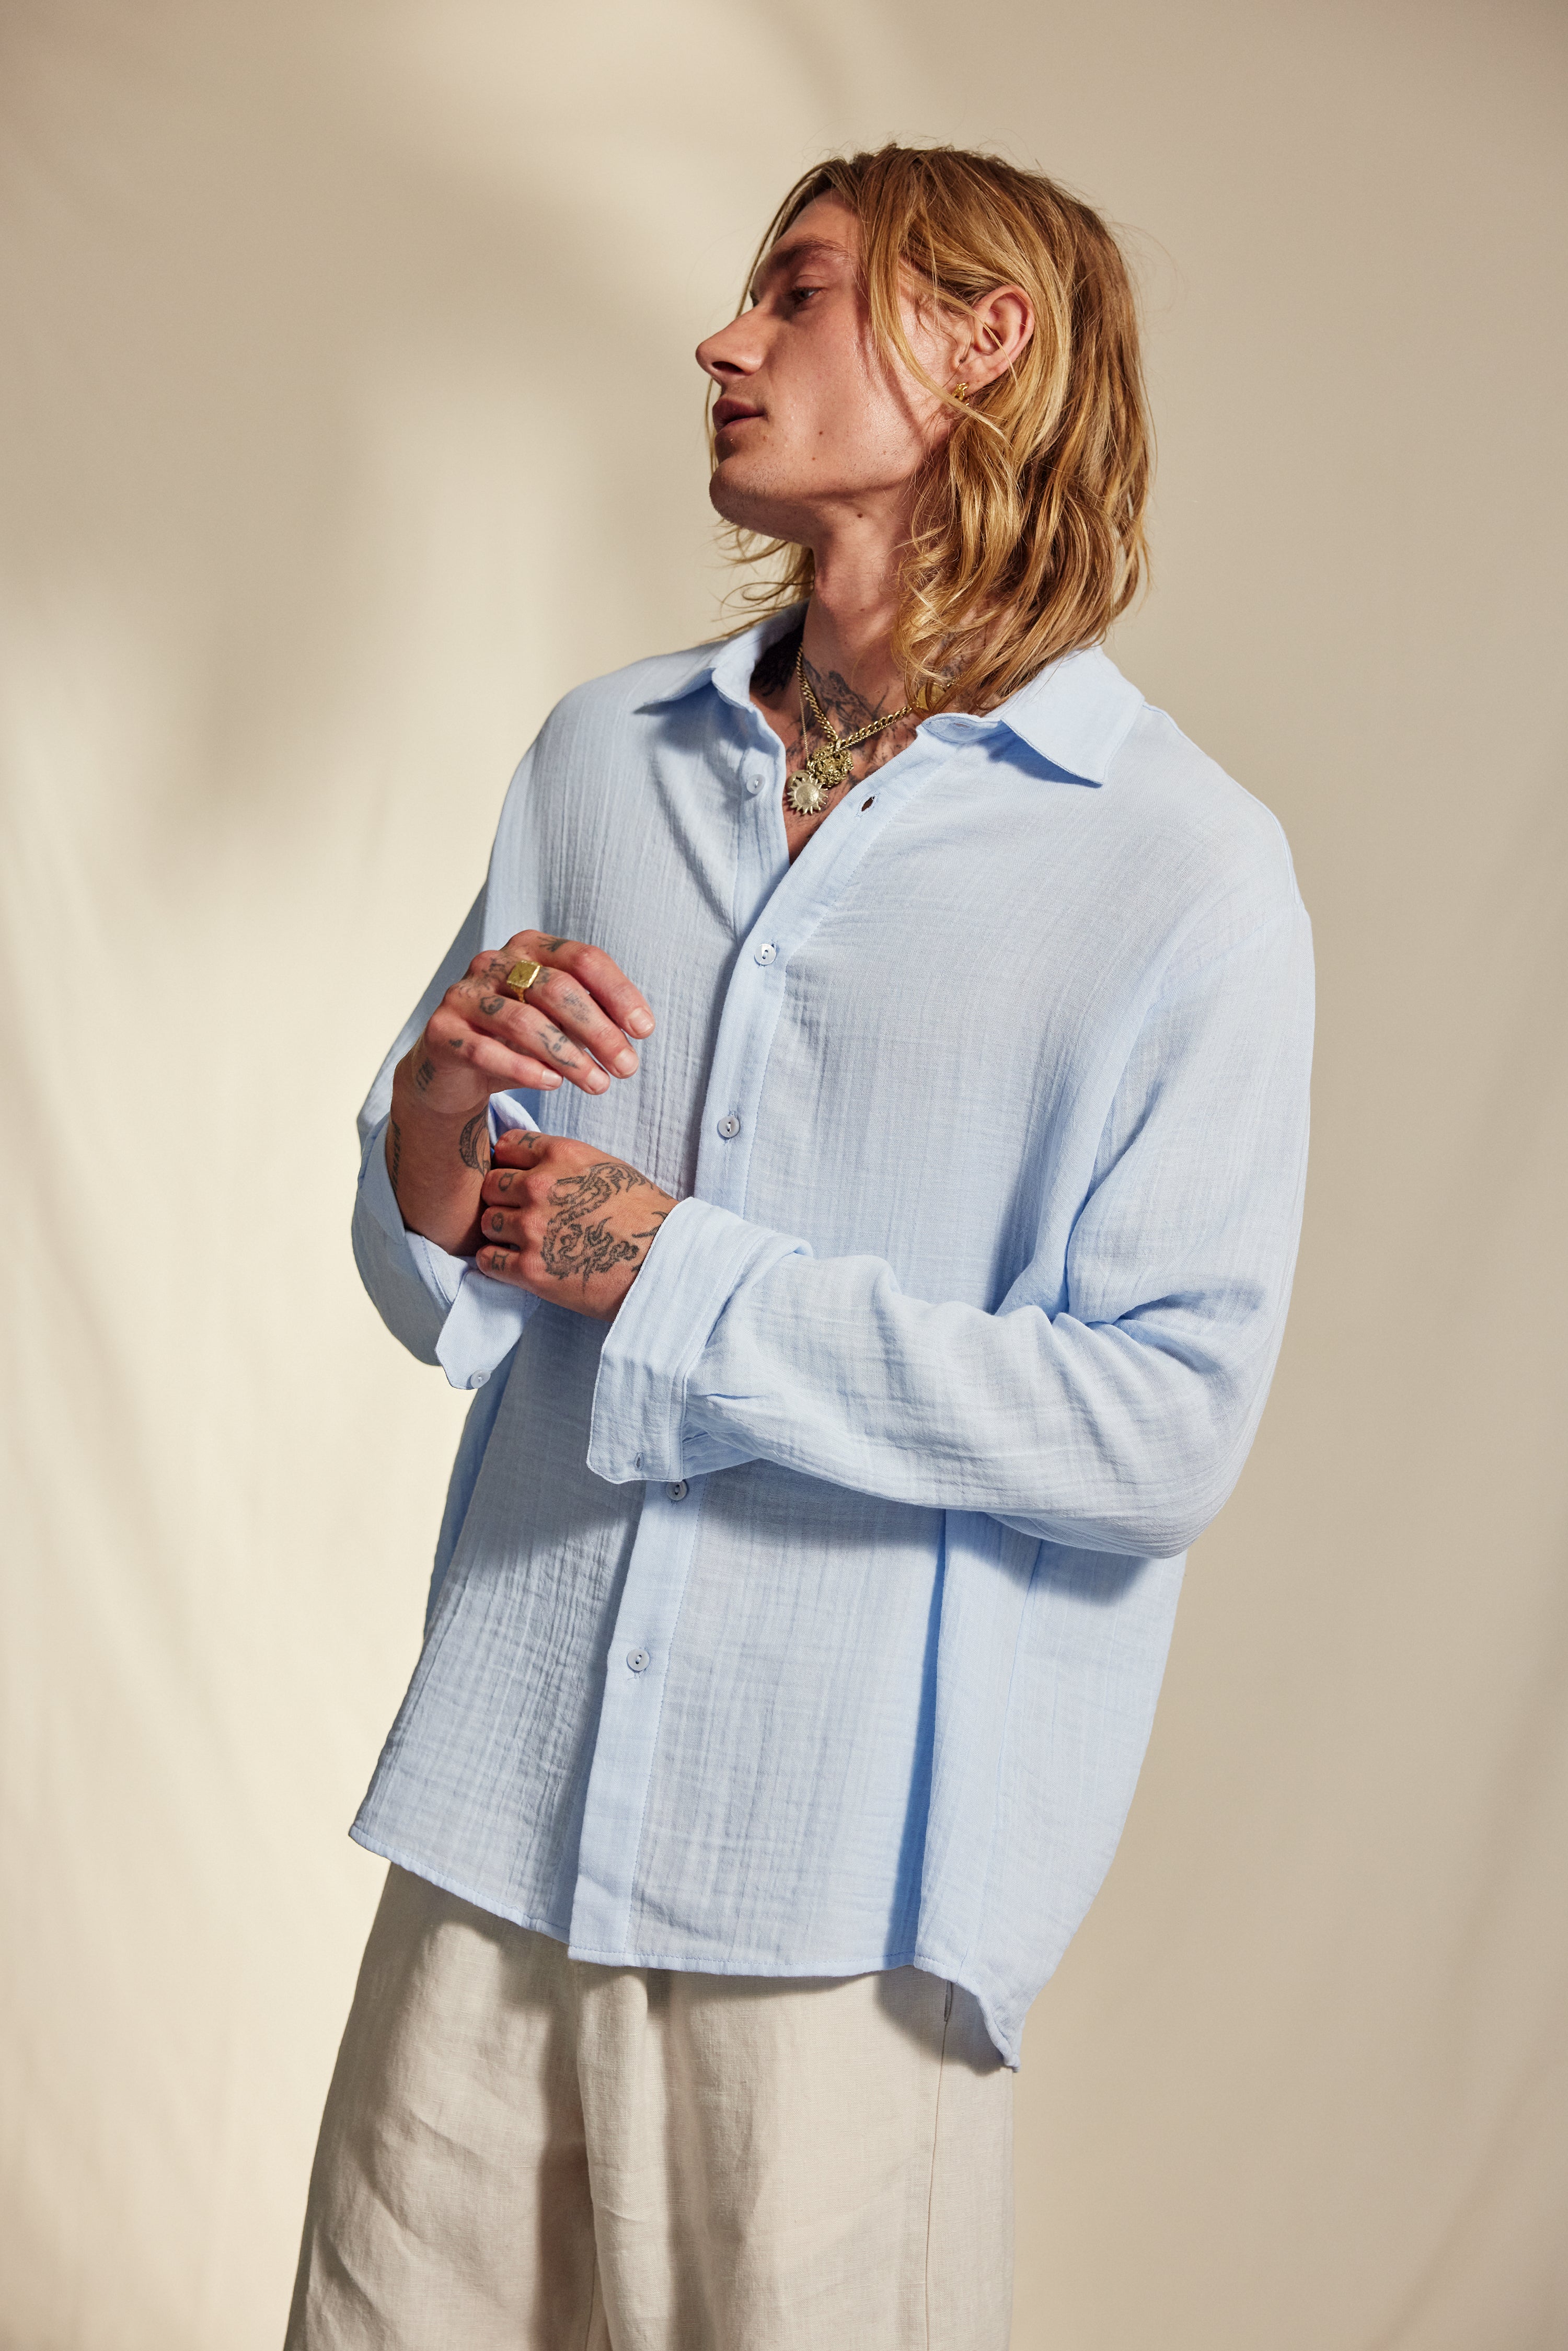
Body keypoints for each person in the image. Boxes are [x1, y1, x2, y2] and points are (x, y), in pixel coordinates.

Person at [285, 144, 1313, 2350]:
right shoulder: (601, 755)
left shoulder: (1178, 872)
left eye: (801, 292)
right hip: (499, 1809)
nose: (722, 340)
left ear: (984, 342)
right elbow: (448, 1250)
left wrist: (682, 1269)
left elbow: (1163, 1427)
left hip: (841, 1883)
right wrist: (438, 1122)